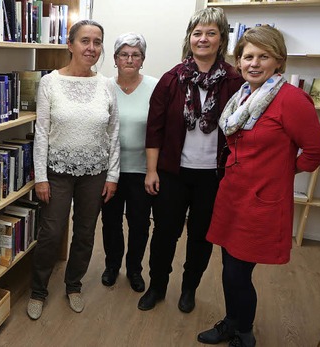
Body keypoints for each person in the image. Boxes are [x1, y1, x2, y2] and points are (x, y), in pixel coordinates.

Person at [198, 26, 320, 347]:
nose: (254, 63)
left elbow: (317, 151)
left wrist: (284, 171)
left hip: (261, 202)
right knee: (229, 266)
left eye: (263, 56)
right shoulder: (242, 97)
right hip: (231, 196)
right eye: (248, 56)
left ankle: (244, 331)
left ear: (278, 61)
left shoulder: (291, 99)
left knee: (238, 272)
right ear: (239, 62)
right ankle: (232, 322)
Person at [140, 7, 244, 313]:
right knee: (164, 234)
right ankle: (157, 286)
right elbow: (154, 129)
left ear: (221, 39)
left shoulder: (235, 83)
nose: (203, 39)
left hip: (214, 177)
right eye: (197, 33)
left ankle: (189, 289)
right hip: (172, 173)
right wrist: (150, 171)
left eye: (211, 33)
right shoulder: (172, 80)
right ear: (189, 38)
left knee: (201, 237)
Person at [27, 19, 120, 320]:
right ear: (70, 44)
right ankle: (38, 290)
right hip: (57, 171)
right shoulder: (50, 82)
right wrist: (40, 176)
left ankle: (73, 285)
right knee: (51, 232)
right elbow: (41, 132)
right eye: (85, 41)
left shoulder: (107, 85)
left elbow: (114, 132)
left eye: (97, 42)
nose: (91, 48)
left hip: (95, 172)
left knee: (84, 232)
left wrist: (113, 176)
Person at [100, 32, 158, 292]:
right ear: (115, 59)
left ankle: (134, 269)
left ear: (142, 59)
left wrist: (153, 170)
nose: (129, 59)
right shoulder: (103, 87)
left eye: (136, 55)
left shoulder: (156, 87)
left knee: (139, 223)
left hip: (141, 170)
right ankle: (112, 265)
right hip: (109, 170)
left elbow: (160, 130)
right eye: (124, 54)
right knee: (111, 222)